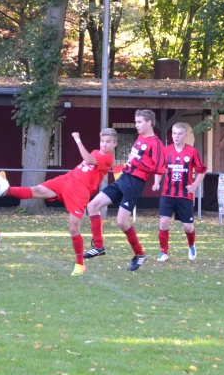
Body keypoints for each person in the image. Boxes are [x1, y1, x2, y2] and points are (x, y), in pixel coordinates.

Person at [5, 129, 117, 276]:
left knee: (73, 228)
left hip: (80, 190)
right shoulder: (96, 151)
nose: (104, 144)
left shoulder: (108, 158)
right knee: (38, 190)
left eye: (108, 142)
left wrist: (78, 140)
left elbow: (89, 160)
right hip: (67, 179)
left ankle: (80, 264)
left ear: (115, 144)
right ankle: (6, 189)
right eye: (102, 141)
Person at [85, 109, 164, 271]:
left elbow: (159, 166)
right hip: (123, 178)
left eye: (139, 122)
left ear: (149, 122)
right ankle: (98, 247)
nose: (136, 125)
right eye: (136, 122)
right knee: (92, 206)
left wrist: (154, 180)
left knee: (121, 222)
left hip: (135, 184)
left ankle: (140, 254)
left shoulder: (156, 143)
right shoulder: (140, 138)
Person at [153, 122, 206, 262]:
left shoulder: (192, 152)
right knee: (164, 222)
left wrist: (194, 185)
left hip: (185, 195)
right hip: (167, 194)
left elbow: (201, 171)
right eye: (174, 133)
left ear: (185, 136)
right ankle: (163, 252)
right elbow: (159, 169)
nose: (176, 136)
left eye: (179, 134)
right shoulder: (165, 150)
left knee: (188, 227)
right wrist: (156, 182)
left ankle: (192, 245)